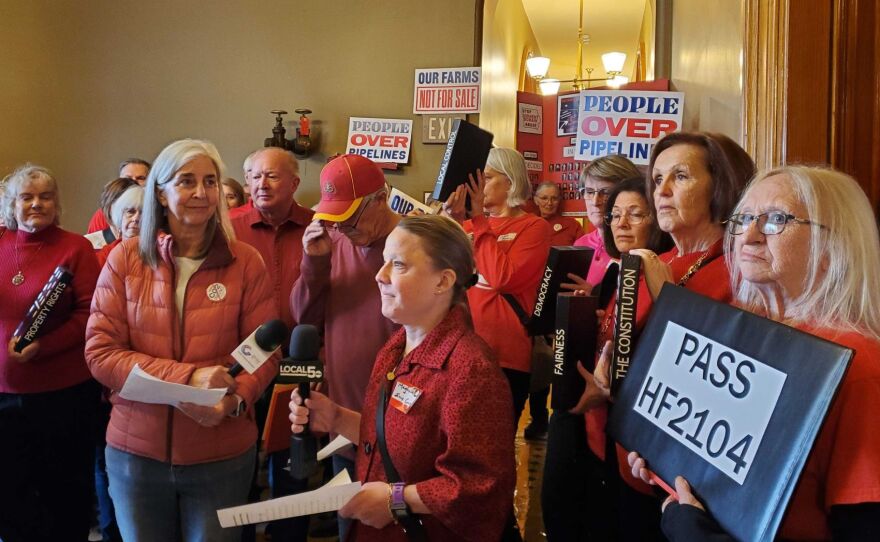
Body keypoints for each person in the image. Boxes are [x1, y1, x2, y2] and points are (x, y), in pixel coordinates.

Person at [628, 166, 880, 541]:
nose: (749, 235)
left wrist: (697, 534)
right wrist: (667, 467)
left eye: (778, 219)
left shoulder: (859, 368)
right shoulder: (741, 337)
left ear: (833, 246)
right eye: (744, 218)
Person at [85, 139, 279, 541]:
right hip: (134, 455)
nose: (201, 193)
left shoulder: (246, 263)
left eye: (210, 181)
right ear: (160, 189)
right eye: (186, 181)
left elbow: (263, 351)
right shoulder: (125, 260)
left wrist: (234, 401)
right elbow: (101, 353)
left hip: (221, 455)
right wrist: (189, 378)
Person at [289, 215, 516, 541]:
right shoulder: (395, 348)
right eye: (384, 263)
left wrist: (397, 501)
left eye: (398, 265)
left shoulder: (470, 370)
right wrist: (336, 417)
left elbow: (479, 487)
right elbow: (396, 439)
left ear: (443, 281)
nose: (379, 276)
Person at [575, 132, 755, 541]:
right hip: (627, 452)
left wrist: (665, 296)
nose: (663, 191)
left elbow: (722, 377)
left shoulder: (741, 268)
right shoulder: (656, 259)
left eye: (681, 176)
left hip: (693, 491)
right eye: (657, 180)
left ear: (720, 186)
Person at [541, 176, 671, 542]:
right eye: (615, 215)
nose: (621, 223)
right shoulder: (618, 273)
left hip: (630, 442)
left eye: (635, 214)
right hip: (590, 421)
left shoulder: (660, 274)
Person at [290, 154, 401, 539]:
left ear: (380, 199)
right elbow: (305, 318)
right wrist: (314, 265)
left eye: (350, 218)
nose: (342, 228)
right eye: (334, 218)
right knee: (349, 529)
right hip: (344, 418)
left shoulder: (416, 245)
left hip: (400, 424)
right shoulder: (331, 243)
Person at [0, 165, 101, 542]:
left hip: (63, 395)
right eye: (26, 197)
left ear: (56, 203)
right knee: (10, 495)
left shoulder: (75, 247)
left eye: (45, 197)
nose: (36, 204)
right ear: (11, 203)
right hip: (4, 394)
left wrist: (44, 347)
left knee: (65, 493)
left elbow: (89, 313)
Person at [231, 146, 313, 542]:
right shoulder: (228, 229)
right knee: (239, 466)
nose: (262, 184)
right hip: (242, 364)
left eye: (273, 176)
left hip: (298, 365)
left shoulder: (319, 228)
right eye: (255, 176)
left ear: (295, 183)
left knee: (291, 468)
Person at [445, 147, 551, 428]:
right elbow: (446, 279)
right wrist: (453, 222)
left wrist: (478, 220)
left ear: (511, 182)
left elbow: (503, 277)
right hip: (460, 348)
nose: (477, 186)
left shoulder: (534, 227)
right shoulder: (469, 225)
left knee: (493, 442)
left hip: (505, 356)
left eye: (487, 178)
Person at [524, 181, 584, 440]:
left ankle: (550, 418)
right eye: (544, 198)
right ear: (535, 198)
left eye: (554, 198)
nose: (549, 203)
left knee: (553, 361)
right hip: (528, 300)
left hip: (559, 302)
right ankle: (537, 420)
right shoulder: (526, 222)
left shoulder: (573, 227)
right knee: (535, 360)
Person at [573, 154, 641, 291]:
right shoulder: (580, 244)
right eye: (590, 192)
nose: (595, 201)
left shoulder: (639, 244)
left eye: (606, 192)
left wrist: (595, 297)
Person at [87, 158, 151, 234]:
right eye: (128, 178)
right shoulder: (103, 215)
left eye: (141, 178)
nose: (134, 182)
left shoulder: (158, 211)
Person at [85, 177, 138, 248]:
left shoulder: (152, 242)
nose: (136, 218)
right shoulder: (88, 244)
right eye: (130, 211)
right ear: (109, 209)